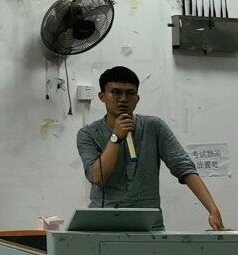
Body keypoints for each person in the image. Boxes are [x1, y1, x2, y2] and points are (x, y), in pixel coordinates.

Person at [77, 66, 225, 231]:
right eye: (116, 92)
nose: (123, 99)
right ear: (102, 96)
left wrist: (213, 210)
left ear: (137, 98)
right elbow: (97, 177)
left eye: (130, 93)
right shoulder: (88, 133)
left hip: (147, 223)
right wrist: (115, 137)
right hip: (104, 223)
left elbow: (184, 167)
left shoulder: (154, 126)